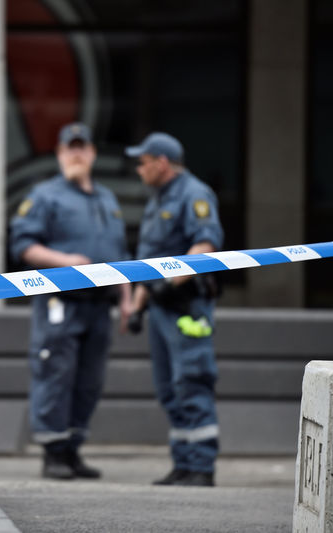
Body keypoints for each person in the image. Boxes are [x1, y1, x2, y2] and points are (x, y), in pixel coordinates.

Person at [10, 122, 132, 480]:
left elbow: (120, 252)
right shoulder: (45, 195)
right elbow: (22, 246)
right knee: (56, 374)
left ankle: (74, 449)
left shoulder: (107, 198)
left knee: (89, 380)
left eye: (82, 148)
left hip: (100, 304)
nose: (76, 154)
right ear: (60, 154)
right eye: (70, 148)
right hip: (61, 301)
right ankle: (54, 453)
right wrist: (66, 262)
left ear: (92, 153)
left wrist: (126, 297)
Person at [124, 132, 224, 487]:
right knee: (168, 387)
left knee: (192, 379)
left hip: (186, 306)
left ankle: (201, 465)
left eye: (143, 162)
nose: (139, 169)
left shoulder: (193, 194)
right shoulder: (158, 200)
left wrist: (170, 282)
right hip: (160, 308)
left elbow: (205, 244)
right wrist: (138, 305)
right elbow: (146, 262)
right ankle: (184, 462)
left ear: (161, 163)